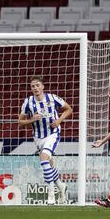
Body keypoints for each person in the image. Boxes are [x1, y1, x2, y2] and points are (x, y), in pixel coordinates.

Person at [18, 76, 72, 205]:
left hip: (53, 133)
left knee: (43, 158)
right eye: (33, 86)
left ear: (43, 86)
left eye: (37, 85)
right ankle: (60, 186)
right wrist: (32, 119)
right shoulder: (28, 102)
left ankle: (51, 194)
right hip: (38, 137)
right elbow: (20, 122)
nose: (35, 88)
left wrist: (58, 120)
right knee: (49, 162)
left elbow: (69, 109)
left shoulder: (53, 98)